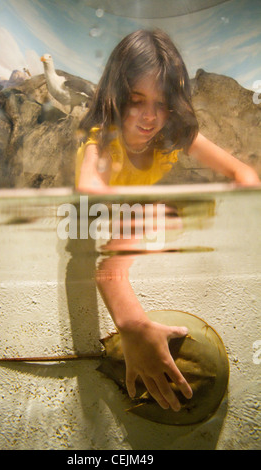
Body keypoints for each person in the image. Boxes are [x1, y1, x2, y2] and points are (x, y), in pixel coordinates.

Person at [75, 29, 260, 412]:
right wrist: (132, 325)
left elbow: (245, 176)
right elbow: (89, 190)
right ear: (115, 96)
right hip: (87, 220)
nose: (149, 117)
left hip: (134, 212)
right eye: (137, 101)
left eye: (161, 104)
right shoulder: (101, 144)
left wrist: (222, 211)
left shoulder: (172, 133)